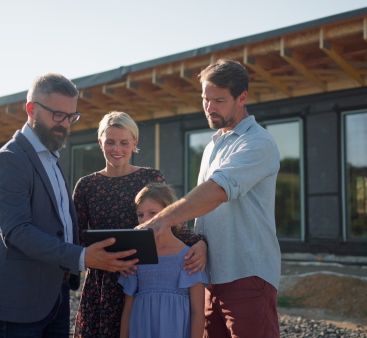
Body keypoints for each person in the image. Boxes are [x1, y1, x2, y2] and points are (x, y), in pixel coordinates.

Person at [0, 73, 139, 338]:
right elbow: (16, 232)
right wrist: (83, 256)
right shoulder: (10, 159)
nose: (64, 124)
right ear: (31, 109)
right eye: (57, 115)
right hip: (19, 302)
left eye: (71, 116)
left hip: (56, 297)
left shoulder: (50, 157)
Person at [139, 59, 282, 337]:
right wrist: (200, 243)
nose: (209, 107)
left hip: (247, 276)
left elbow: (217, 191)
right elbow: (209, 213)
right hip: (208, 277)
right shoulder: (213, 144)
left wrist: (161, 220)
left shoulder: (258, 142)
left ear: (242, 98)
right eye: (205, 99)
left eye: (219, 100)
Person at [72, 111, 207, 338]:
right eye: (110, 142)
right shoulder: (86, 185)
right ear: (100, 143)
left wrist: (200, 244)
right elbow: (77, 238)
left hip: (145, 278)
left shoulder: (151, 178)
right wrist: (106, 260)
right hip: (103, 283)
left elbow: (171, 223)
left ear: (134, 143)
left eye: (124, 143)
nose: (117, 149)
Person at [119, 183, 208, 338]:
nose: (145, 220)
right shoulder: (136, 257)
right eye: (140, 215)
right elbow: (127, 310)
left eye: (153, 213)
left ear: (170, 213)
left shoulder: (189, 257)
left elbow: (197, 312)